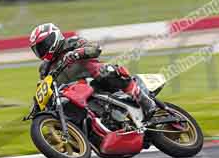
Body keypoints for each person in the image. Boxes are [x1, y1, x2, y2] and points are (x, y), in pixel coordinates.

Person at [29, 22, 158, 121]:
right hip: (75, 94)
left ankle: (144, 101)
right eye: (37, 49)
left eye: (43, 45)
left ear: (53, 38)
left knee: (107, 71)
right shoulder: (44, 68)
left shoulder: (72, 42)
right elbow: (45, 87)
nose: (41, 50)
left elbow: (95, 48)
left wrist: (77, 53)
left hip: (94, 79)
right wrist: (37, 105)